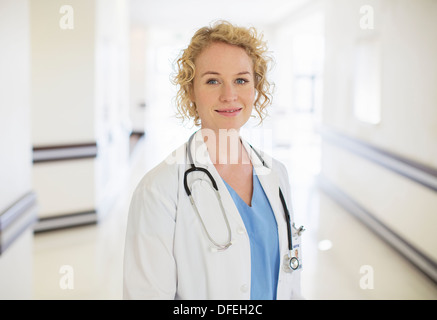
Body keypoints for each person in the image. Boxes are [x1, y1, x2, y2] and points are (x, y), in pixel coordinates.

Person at [123, 20, 303, 300]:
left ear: (256, 88)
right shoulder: (158, 191)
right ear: (191, 91)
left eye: (241, 80)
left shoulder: (276, 174)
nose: (229, 95)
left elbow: (289, 283)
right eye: (212, 80)